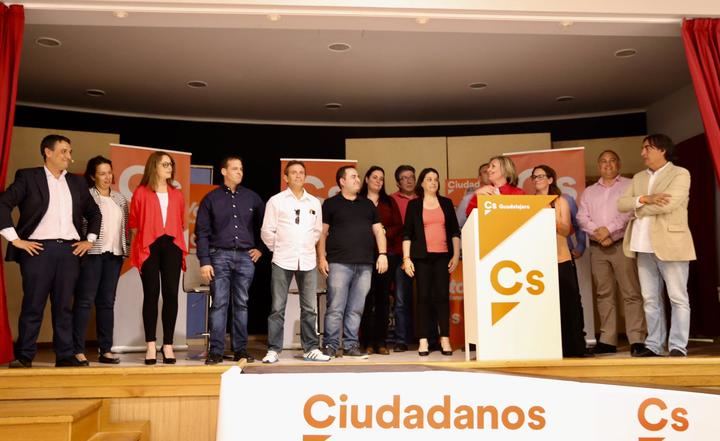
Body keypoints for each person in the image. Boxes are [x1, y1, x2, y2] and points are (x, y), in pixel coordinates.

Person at [0, 134, 101, 368]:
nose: (69, 157)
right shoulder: (28, 177)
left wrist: (89, 240)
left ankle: (65, 355)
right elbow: (3, 204)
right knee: (33, 305)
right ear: (48, 152)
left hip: (69, 251)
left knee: (64, 307)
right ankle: (25, 356)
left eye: (70, 152)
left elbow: (94, 213)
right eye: (64, 151)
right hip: (38, 251)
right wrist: (15, 239)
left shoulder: (77, 183)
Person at [618, 134, 695, 357]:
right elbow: (621, 204)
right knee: (650, 299)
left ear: (662, 150)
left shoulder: (680, 173)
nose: (642, 153)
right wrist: (645, 198)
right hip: (642, 246)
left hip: (672, 244)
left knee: (678, 298)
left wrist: (637, 210)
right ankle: (654, 344)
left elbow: (668, 204)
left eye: (647, 148)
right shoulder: (638, 177)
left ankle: (678, 346)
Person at [260, 160, 330, 363]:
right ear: (286, 177)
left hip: (307, 260)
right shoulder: (276, 201)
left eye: (301, 172)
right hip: (282, 260)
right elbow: (267, 231)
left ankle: (310, 348)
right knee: (277, 307)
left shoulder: (314, 202)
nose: (298, 175)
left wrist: (306, 246)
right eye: (294, 172)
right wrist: (280, 248)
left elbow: (317, 231)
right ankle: (274, 349)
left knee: (309, 308)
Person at [577, 150, 646, 356]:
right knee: (604, 294)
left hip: (621, 244)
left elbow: (630, 212)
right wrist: (598, 233)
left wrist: (608, 230)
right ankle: (607, 340)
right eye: (603, 161)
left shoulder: (629, 185)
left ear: (619, 164)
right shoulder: (589, 191)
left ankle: (637, 339)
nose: (608, 165)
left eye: (612, 161)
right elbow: (581, 218)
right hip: (598, 247)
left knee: (631, 293)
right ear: (599, 166)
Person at [196, 156, 264, 365]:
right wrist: (205, 261)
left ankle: (240, 350)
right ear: (224, 171)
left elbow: (267, 225)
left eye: (241, 169)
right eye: (235, 169)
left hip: (245, 256)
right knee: (219, 303)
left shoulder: (252, 198)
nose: (239, 172)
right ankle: (216, 351)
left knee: (241, 303)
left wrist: (261, 248)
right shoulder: (211, 199)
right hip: (219, 255)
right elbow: (202, 232)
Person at [318, 165, 388, 359]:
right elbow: (322, 233)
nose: (358, 179)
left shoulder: (368, 204)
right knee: (335, 307)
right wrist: (321, 257)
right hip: (339, 263)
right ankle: (331, 345)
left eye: (358, 176)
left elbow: (378, 231)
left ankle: (351, 345)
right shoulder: (331, 204)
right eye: (353, 176)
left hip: (365, 264)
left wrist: (382, 254)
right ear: (342, 181)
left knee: (356, 308)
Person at [129, 151, 187, 365]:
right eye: (165, 164)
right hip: (149, 246)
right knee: (151, 294)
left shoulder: (177, 194)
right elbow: (134, 224)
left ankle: (168, 344)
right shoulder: (141, 192)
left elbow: (180, 223)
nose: (169, 168)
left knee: (171, 293)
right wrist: (139, 249)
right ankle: (151, 344)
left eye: (170, 164)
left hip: (172, 245)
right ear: (154, 166)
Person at [72, 156, 129, 365]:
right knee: (84, 301)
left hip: (114, 255)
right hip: (92, 255)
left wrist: (125, 250)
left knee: (107, 303)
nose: (107, 177)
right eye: (102, 173)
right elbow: (79, 224)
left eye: (109, 172)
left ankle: (106, 349)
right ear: (92, 176)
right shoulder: (86, 195)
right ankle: (77, 350)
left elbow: (125, 228)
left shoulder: (120, 199)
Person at [402, 168, 461, 357]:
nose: (433, 182)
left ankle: (445, 338)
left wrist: (456, 255)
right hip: (422, 258)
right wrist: (406, 259)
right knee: (423, 298)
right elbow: (407, 234)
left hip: (443, 257)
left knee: (442, 297)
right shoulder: (414, 205)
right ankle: (423, 339)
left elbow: (454, 231)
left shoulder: (446, 203)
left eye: (436, 179)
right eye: (429, 179)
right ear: (422, 183)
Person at [532, 165, 587, 358]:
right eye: (534, 177)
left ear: (550, 179)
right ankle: (550, 345)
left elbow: (565, 229)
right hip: (539, 261)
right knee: (546, 305)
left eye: (541, 176)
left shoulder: (560, 201)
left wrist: (547, 214)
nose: (537, 179)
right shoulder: (529, 203)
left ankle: (575, 346)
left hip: (561, 257)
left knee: (570, 302)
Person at [359, 166, 403, 355]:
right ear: (366, 179)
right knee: (366, 299)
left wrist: (384, 231)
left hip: (386, 255)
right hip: (364, 255)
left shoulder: (389, 201)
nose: (378, 181)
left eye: (381, 178)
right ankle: (367, 342)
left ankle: (381, 342)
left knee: (383, 300)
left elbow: (398, 225)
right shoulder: (359, 200)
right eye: (375, 177)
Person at [389, 165, 417, 352]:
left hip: (422, 254)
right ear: (398, 183)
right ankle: (401, 340)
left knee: (425, 298)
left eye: (411, 177)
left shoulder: (423, 198)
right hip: (400, 255)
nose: (409, 181)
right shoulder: (392, 200)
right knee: (401, 299)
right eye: (404, 178)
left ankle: (428, 337)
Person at [455, 162, 490, 228]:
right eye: (485, 172)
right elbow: (458, 222)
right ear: (479, 178)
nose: (489, 173)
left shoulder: (500, 194)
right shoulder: (469, 198)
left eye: (490, 171)